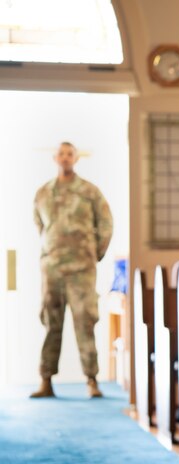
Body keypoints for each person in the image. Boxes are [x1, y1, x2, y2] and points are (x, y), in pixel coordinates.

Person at [31, 142, 113, 399]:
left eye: (70, 154)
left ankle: (92, 380)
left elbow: (106, 224)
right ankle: (46, 380)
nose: (65, 158)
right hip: (53, 270)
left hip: (82, 270)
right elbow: (40, 226)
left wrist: (93, 254)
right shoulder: (43, 193)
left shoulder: (89, 192)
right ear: (55, 157)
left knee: (85, 322)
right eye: (61, 154)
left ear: (75, 158)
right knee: (50, 324)